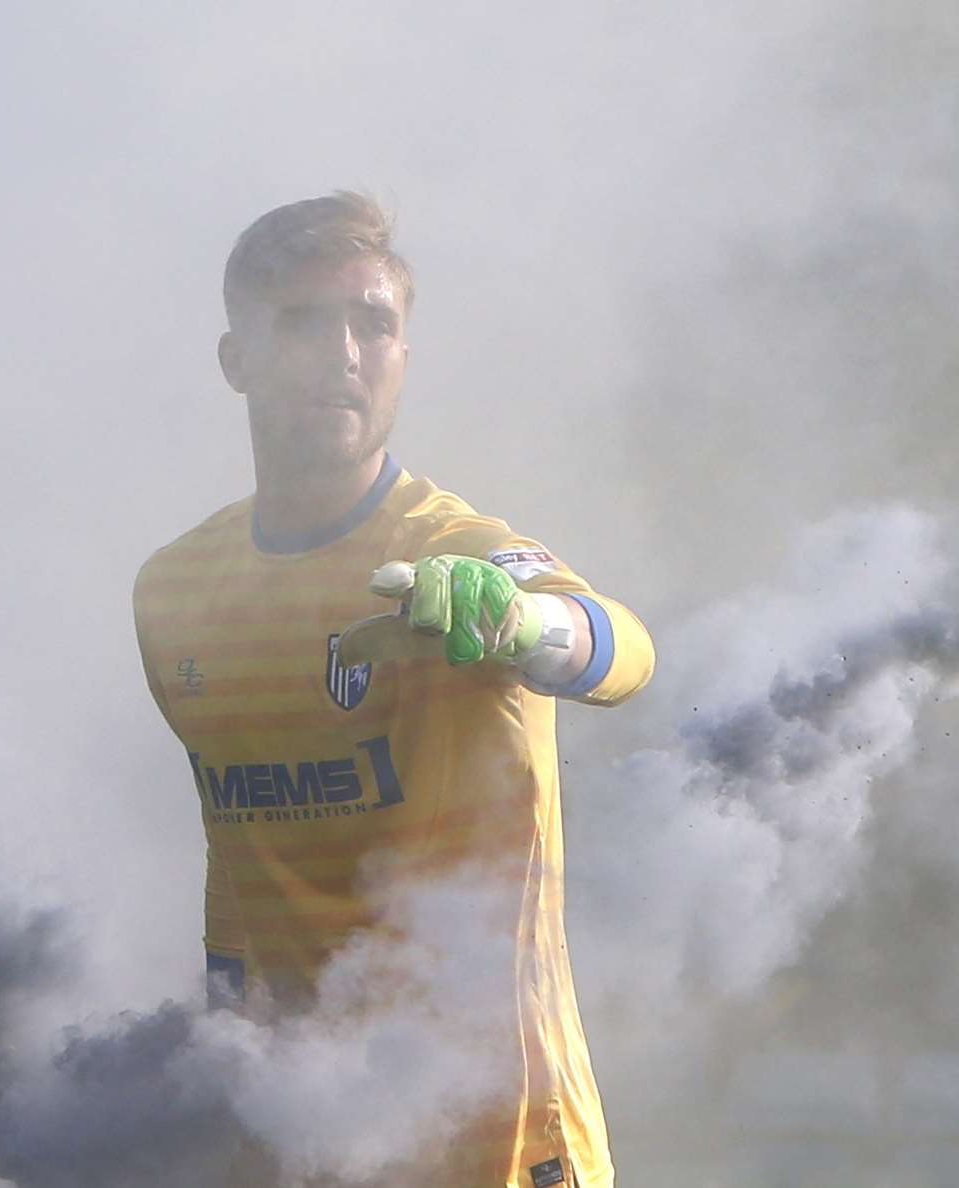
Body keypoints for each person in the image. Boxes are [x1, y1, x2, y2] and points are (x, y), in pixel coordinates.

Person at [132, 192, 654, 1187]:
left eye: (374, 324)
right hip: (307, 1146)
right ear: (236, 361)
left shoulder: (448, 548)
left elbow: (625, 651)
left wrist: (524, 623)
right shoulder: (172, 591)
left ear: (405, 356)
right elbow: (237, 876)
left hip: (501, 1149)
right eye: (303, 321)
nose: (343, 353)